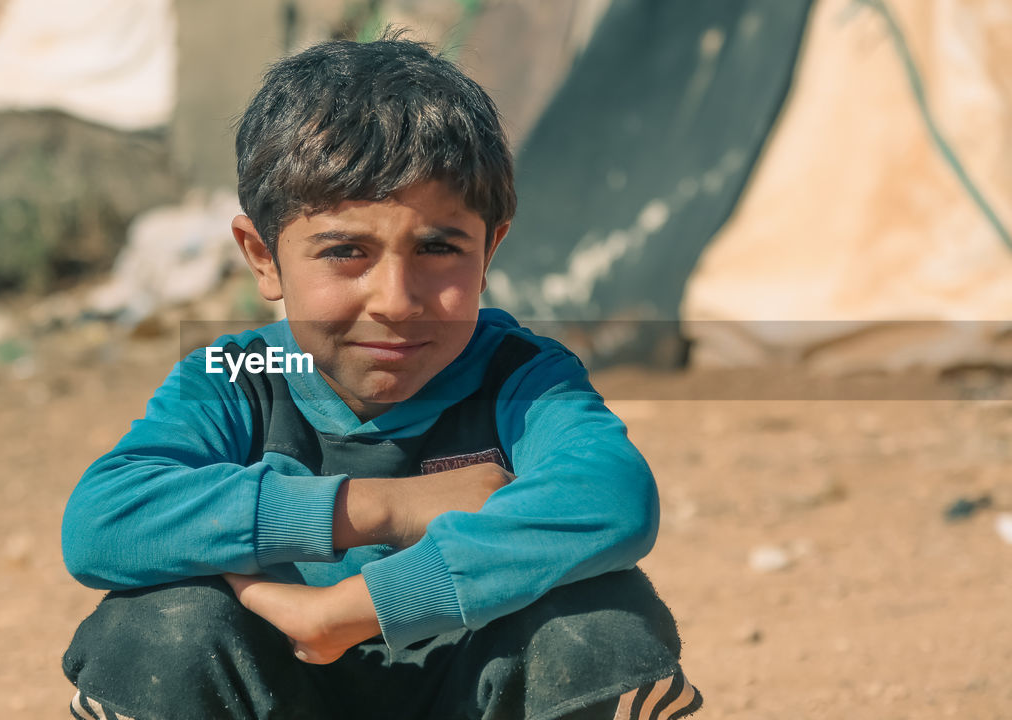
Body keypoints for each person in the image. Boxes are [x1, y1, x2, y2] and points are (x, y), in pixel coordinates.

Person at [60, 35, 702, 720]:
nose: (396, 300)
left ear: (489, 251)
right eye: (344, 251)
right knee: (156, 631)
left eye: (438, 248)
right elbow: (105, 520)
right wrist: (387, 507)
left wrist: (347, 610)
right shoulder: (240, 376)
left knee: (600, 629)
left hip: (472, 696)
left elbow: (610, 496)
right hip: (280, 697)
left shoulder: (523, 376)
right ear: (263, 257)